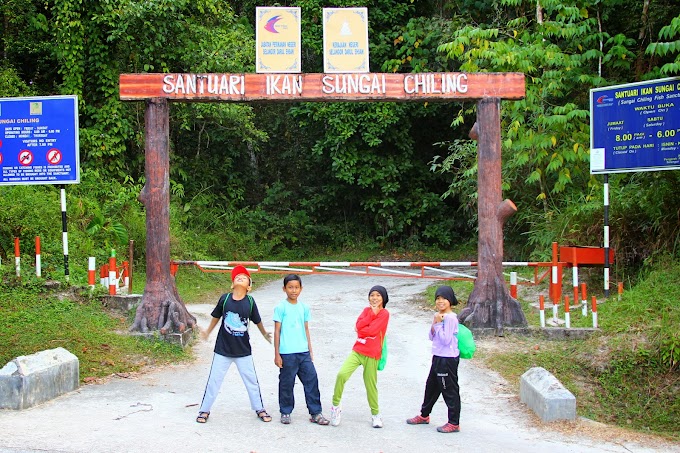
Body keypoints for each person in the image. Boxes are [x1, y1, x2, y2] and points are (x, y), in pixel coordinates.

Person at [196, 265, 273, 424]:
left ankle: (259, 408)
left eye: (244, 277)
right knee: (214, 380)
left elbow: (257, 320)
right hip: (222, 350)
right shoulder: (225, 299)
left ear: (249, 286)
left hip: (243, 351)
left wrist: (265, 334)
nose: (240, 277)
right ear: (232, 284)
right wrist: (208, 332)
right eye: (237, 277)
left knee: (251, 380)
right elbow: (216, 317)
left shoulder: (250, 302)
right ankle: (204, 410)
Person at [330, 285, 390, 428]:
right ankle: (335, 406)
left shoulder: (385, 314)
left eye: (378, 295)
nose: (374, 298)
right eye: (372, 295)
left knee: (370, 385)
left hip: (372, 354)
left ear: (383, 298)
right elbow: (358, 327)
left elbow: (373, 330)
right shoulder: (366, 311)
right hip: (358, 350)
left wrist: (365, 326)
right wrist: (370, 317)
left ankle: (376, 415)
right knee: (341, 375)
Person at [273, 274, 329, 425]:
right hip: (287, 353)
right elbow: (277, 331)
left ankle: (316, 412)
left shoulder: (304, 307)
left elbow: (306, 329)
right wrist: (277, 354)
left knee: (311, 380)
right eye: (290, 287)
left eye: (296, 287)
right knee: (286, 383)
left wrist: (310, 349)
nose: (293, 290)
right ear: (284, 289)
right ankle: (285, 411)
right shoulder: (280, 307)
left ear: (301, 289)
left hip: (303, 352)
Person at [406, 285, 461, 433]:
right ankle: (424, 415)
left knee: (449, 390)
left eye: (444, 298)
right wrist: (435, 322)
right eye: (438, 298)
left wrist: (438, 324)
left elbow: (445, 340)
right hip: (438, 357)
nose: (440, 301)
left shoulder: (451, 318)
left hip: (447, 359)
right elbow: (431, 337)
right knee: (431, 386)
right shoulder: (439, 316)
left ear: (450, 300)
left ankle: (454, 422)